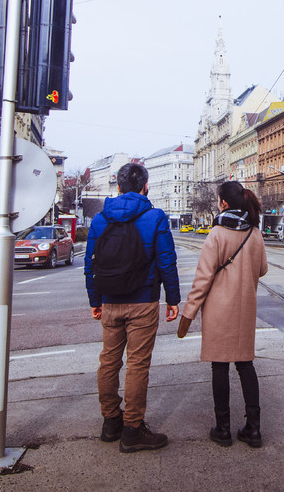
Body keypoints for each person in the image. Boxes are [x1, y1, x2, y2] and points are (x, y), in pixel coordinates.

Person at [84, 162, 180, 453]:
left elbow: (91, 264)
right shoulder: (155, 216)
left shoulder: (100, 219)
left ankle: (111, 421)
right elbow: (166, 261)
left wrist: (95, 301)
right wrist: (173, 299)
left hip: (110, 301)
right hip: (143, 302)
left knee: (109, 361)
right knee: (138, 364)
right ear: (145, 186)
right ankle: (133, 429)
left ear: (118, 186)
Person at [179, 181, 268, 449]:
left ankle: (223, 429)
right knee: (245, 364)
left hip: (219, 309)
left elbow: (202, 279)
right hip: (245, 309)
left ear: (224, 204)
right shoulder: (254, 232)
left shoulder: (216, 233)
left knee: (219, 365)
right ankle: (253, 429)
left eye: (218, 200)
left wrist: (188, 314)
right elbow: (262, 269)